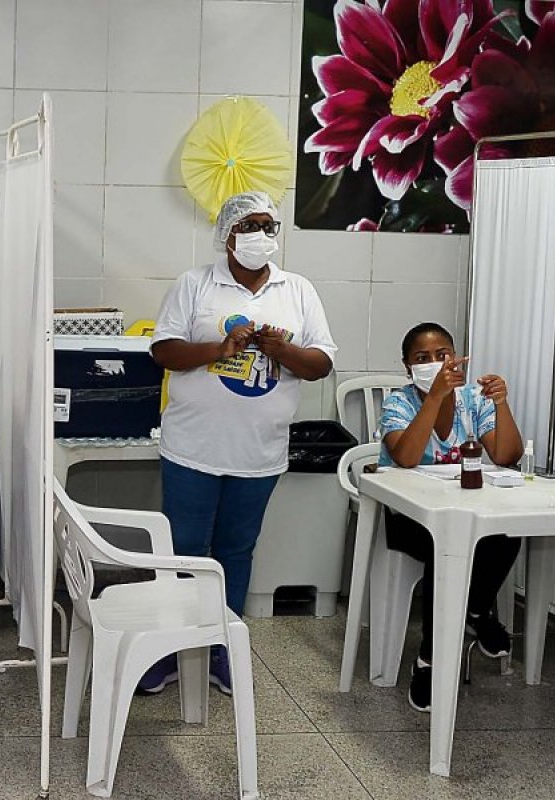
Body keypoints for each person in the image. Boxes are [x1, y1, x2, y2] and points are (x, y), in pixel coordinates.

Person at [142, 191, 337, 695]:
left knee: (236, 550)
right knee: (184, 550)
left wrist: (284, 349)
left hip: (259, 451)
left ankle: (220, 648)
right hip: (192, 447)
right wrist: (219, 348)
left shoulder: (297, 291)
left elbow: (321, 364)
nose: (261, 235)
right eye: (249, 225)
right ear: (227, 234)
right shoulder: (195, 284)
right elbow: (162, 350)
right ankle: (170, 650)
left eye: (269, 226)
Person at [378, 322, 524, 713]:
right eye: (421, 359)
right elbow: (405, 457)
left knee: (508, 533)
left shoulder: (473, 399)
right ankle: (430, 660)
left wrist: (500, 403)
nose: (434, 364)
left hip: (466, 509)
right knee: (446, 549)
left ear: (457, 357)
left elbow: (507, 456)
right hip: (410, 518)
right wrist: (434, 399)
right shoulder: (399, 402)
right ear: (407, 367)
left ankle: (474, 611)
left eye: (442, 355)